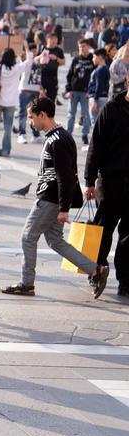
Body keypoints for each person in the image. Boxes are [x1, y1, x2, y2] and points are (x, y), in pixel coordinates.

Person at [1, 97, 109, 298]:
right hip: (53, 198)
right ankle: (96, 270)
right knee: (55, 241)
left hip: (49, 199)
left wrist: (63, 208)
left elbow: (65, 176)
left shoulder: (57, 140)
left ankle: (26, 284)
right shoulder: (59, 136)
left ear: (43, 115)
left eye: (33, 117)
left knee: (28, 237)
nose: (31, 122)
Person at [84, 84, 129, 298]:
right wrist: (89, 180)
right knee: (102, 232)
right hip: (110, 181)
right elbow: (96, 145)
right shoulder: (111, 109)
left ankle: (126, 281)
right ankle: (96, 273)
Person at [0, 48, 23, 157]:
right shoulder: (17, 69)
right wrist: (20, 55)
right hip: (11, 103)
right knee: (8, 128)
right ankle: (5, 150)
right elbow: (29, 62)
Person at [66, 39, 96, 147]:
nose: (81, 48)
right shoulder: (76, 59)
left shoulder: (92, 59)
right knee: (71, 114)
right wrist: (68, 90)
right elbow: (69, 75)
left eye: (83, 46)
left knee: (86, 115)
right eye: (80, 47)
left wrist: (91, 91)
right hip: (74, 91)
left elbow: (95, 77)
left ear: (88, 47)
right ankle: (68, 135)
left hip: (85, 92)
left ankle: (85, 135)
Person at [88, 48, 110, 131]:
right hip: (102, 97)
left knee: (96, 122)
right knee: (100, 122)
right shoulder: (104, 68)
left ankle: (96, 143)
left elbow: (99, 86)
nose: (92, 59)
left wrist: (95, 101)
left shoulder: (100, 70)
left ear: (100, 57)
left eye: (94, 57)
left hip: (97, 98)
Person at [38, 32, 65, 102]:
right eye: (52, 39)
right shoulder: (42, 48)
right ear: (47, 39)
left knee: (51, 101)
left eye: (56, 39)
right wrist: (41, 56)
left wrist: (56, 58)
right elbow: (36, 59)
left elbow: (63, 62)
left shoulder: (59, 50)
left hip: (53, 78)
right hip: (41, 77)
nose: (54, 41)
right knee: (41, 101)